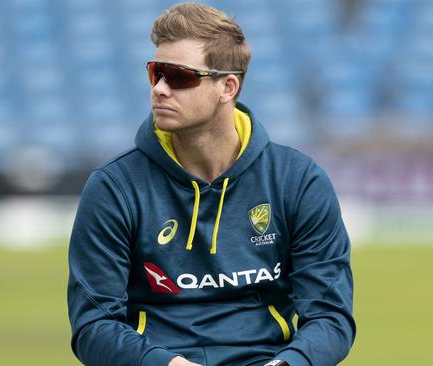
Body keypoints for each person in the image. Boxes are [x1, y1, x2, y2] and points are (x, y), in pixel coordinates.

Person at [67, 3, 355, 366]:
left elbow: (330, 316)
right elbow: (94, 324)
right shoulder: (113, 188)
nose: (159, 88)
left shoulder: (299, 182)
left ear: (227, 87)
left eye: (179, 76)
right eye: (156, 72)